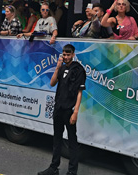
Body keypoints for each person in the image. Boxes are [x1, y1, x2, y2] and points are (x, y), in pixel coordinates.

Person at [38, 44, 86, 175]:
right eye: (64, 55)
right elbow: (52, 83)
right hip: (58, 108)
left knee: (72, 141)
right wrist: (57, 67)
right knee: (57, 140)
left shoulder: (78, 70)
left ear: (73, 55)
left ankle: (72, 171)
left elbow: (79, 92)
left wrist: (75, 112)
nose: (65, 57)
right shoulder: (62, 67)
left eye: (68, 55)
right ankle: (54, 168)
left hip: (69, 110)